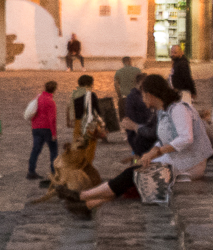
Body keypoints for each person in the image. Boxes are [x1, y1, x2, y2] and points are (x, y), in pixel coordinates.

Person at [72, 74, 213, 212]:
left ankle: (83, 196)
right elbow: (165, 139)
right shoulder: (163, 111)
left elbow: (186, 138)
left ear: (151, 94)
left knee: (134, 174)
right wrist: (152, 152)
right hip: (177, 158)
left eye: (143, 94)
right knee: (136, 170)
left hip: (190, 163)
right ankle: (91, 202)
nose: (142, 98)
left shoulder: (179, 109)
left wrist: (157, 152)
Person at [26, 80, 59, 181]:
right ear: (54, 89)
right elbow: (52, 119)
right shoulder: (50, 101)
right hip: (47, 129)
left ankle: (31, 171)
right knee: (53, 151)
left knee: (35, 150)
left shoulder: (38, 97)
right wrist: (54, 133)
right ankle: (54, 172)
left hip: (36, 127)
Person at [121, 80, 159, 160]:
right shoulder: (157, 111)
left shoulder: (161, 112)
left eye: (144, 97)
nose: (143, 100)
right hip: (142, 143)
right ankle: (135, 159)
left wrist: (135, 126)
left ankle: (135, 159)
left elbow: (153, 133)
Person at [69, 74, 104, 141]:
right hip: (89, 122)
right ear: (89, 84)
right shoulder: (92, 94)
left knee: (78, 143)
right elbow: (97, 109)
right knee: (90, 143)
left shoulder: (74, 94)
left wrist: (71, 119)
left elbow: (71, 107)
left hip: (78, 121)